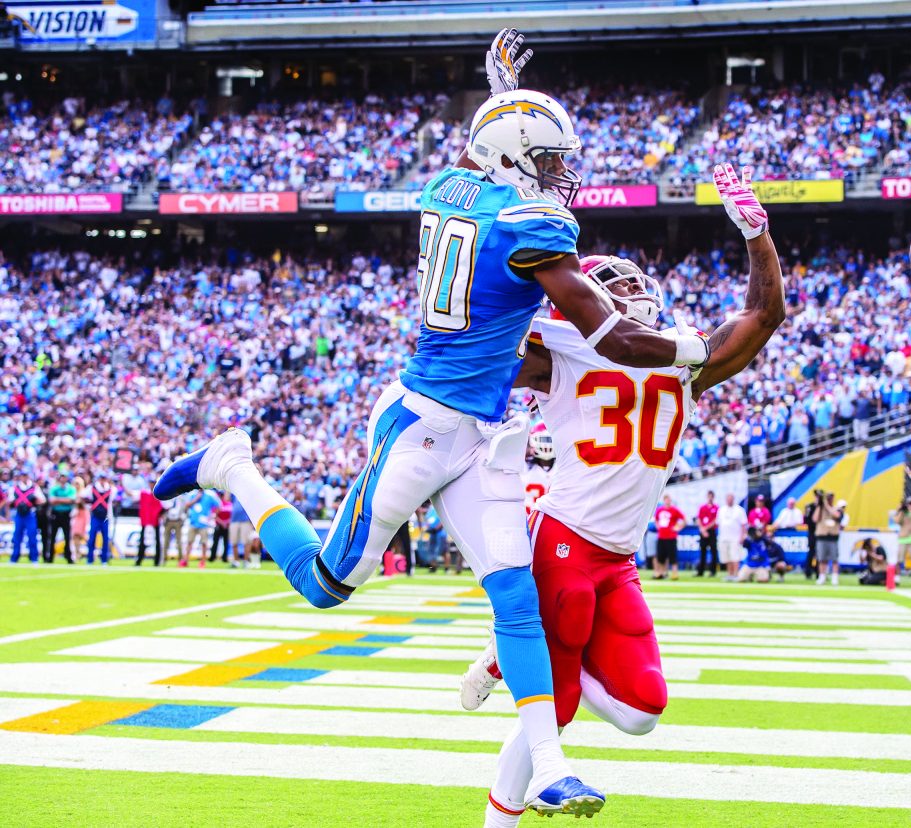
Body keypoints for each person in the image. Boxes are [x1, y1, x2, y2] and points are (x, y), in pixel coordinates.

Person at [154, 31, 714, 817]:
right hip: (420, 425)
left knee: (517, 598)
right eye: (550, 163)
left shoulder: (452, 187)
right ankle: (231, 466)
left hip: (482, 432)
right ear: (517, 162)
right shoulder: (530, 228)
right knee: (325, 585)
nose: (561, 177)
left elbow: (481, 158)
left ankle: (550, 771)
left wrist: (503, 91)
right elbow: (614, 337)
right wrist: (699, 348)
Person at [457, 157, 782, 827]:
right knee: (561, 701)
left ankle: (513, 652)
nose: (632, 291)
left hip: (619, 556)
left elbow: (762, 313)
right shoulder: (566, 345)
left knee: (641, 712)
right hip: (567, 537)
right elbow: (479, 341)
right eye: (614, 283)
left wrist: (757, 236)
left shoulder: (682, 356)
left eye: (636, 282)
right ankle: (500, 817)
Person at [8, 472, 44, 563]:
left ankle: (34, 558)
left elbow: (42, 500)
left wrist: (34, 500)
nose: (24, 477)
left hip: (30, 514)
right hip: (19, 514)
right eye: (23, 476)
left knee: (32, 536)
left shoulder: (34, 487)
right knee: (17, 537)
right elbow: (10, 501)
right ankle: (14, 557)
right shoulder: (15, 488)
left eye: (26, 475)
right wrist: (17, 502)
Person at [717, 492, 750, 580]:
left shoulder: (739, 510)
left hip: (735, 537)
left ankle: (736, 574)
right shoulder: (721, 509)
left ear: (733, 499)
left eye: (731, 498)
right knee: (726, 557)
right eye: (728, 499)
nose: (729, 500)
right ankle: (730, 574)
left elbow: (744, 525)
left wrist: (742, 536)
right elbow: (719, 523)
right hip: (723, 537)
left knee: (735, 557)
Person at [813, 492, 844, 585]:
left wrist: (826, 505)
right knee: (821, 558)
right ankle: (822, 576)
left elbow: (836, 515)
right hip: (822, 536)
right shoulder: (820, 509)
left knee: (834, 558)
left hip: (833, 537)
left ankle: (835, 577)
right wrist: (820, 505)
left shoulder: (837, 509)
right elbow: (814, 519)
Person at [652, 494, 685, 580]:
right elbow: (656, 519)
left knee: (672, 556)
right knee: (661, 556)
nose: (667, 501)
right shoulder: (660, 510)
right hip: (661, 536)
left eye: (669, 499)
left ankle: (674, 573)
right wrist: (657, 526)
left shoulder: (675, 510)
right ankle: (661, 573)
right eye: (666, 499)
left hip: (671, 536)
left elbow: (684, 519)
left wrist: (678, 527)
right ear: (664, 500)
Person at [46, 472, 77, 564]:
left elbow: (72, 500)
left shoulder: (71, 489)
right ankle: (50, 557)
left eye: (64, 477)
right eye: (61, 477)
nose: (63, 479)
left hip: (66, 514)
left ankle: (68, 556)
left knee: (67, 537)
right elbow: (51, 500)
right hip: (55, 514)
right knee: (52, 537)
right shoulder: (54, 488)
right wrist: (65, 500)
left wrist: (58, 499)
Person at [85, 472, 114, 565]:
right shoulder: (92, 487)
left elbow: (114, 499)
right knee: (92, 538)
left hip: (105, 516)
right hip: (95, 515)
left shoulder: (111, 489)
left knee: (105, 539)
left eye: (104, 478)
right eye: (101, 478)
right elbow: (83, 496)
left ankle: (104, 559)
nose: (102, 480)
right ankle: (90, 559)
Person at [135, 489, 164, 566]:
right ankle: (139, 560)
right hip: (146, 520)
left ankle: (157, 561)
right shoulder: (144, 493)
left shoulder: (159, 493)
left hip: (155, 521)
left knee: (157, 541)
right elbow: (131, 495)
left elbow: (165, 506)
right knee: (142, 541)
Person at [695, 491, 719, 577]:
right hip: (703, 531)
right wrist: (702, 529)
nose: (710, 498)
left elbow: (715, 520)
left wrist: (706, 528)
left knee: (713, 551)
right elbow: (699, 519)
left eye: (711, 496)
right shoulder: (702, 507)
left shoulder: (716, 507)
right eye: (709, 496)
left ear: (713, 497)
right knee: (702, 552)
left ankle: (713, 571)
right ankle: (700, 571)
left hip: (711, 531)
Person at [209, 491, 233, 564]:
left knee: (226, 542)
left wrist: (227, 522)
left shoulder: (230, 504)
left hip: (227, 526)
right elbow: (214, 515)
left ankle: (224, 557)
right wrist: (222, 523)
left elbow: (232, 516)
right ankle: (212, 557)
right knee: (215, 542)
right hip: (219, 525)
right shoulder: (217, 504)